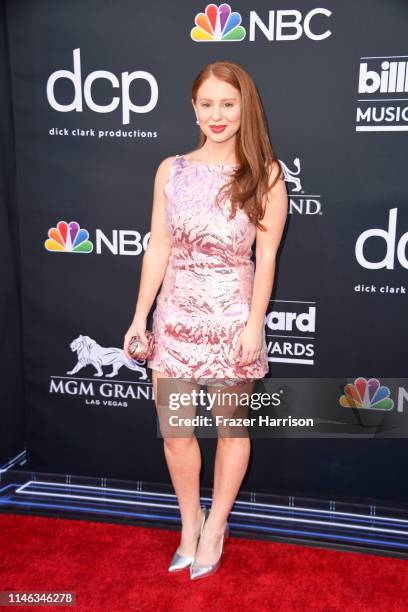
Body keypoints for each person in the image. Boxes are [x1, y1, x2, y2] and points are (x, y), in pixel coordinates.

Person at [123, 61, 288, 579]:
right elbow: (159, 247)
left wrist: (254, 323)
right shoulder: (170, 170)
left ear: (245, 109)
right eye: (208, 103)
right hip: (173, 321)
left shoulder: (265, 174)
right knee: (175, 433)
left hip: (232, 320)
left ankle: (217, 524)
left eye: (228, 103)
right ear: (193, 108)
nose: (217, 115)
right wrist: (139, 317)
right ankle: (188, 523)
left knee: (231, 432)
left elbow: (266, 260)